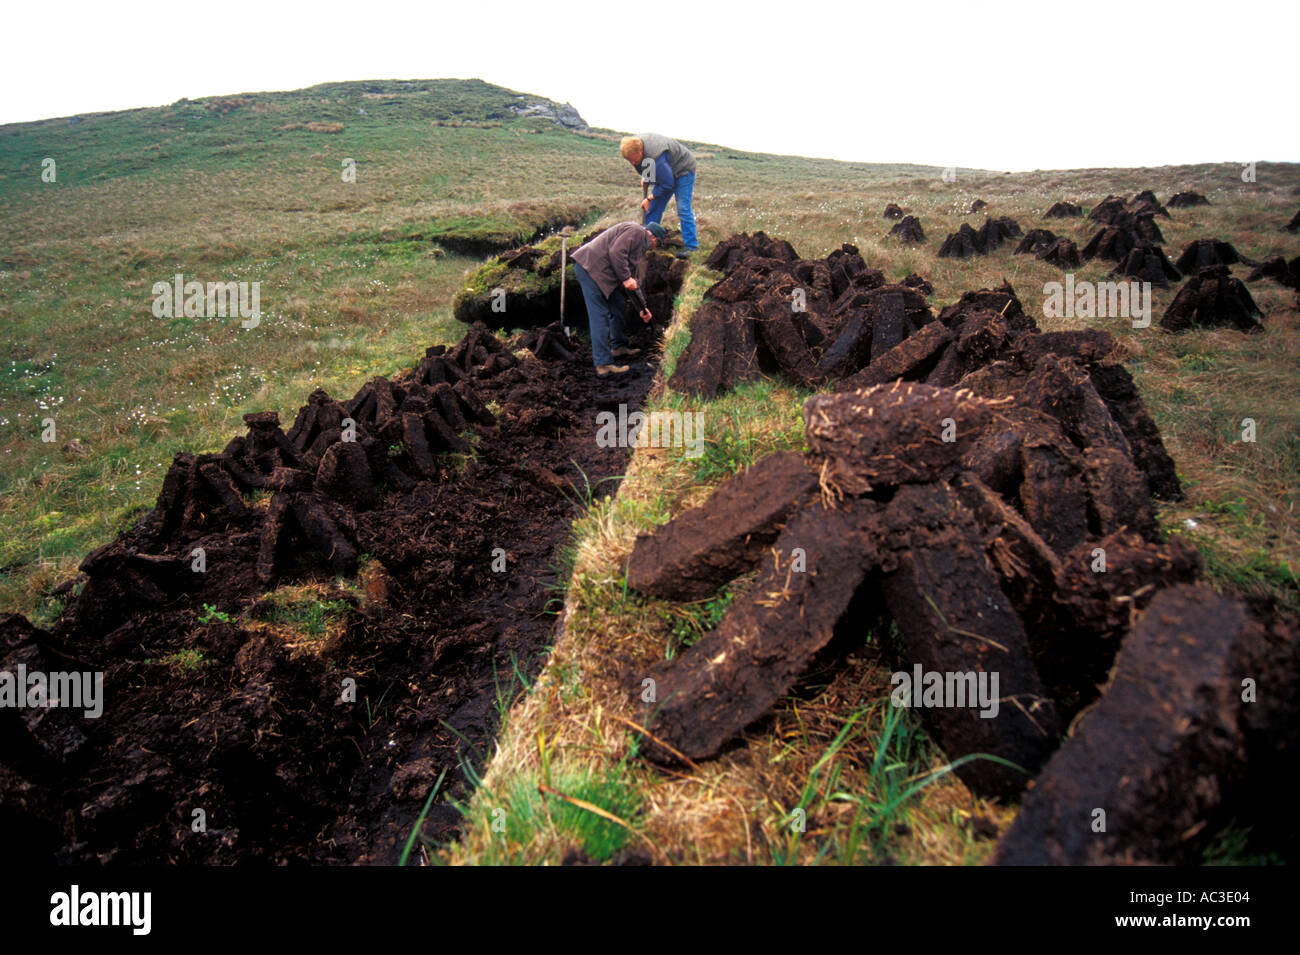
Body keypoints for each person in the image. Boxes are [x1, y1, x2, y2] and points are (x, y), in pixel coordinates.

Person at [571, 221, 665, 377]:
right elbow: (616, 252)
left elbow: (632, 282)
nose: (654, 248)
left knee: (619, 304)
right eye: (657, 244)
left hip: (604, 273)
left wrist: (642, 307)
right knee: (599, 316)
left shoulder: (638, 244)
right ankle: (603, 364)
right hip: (590, 269)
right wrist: (626, 278)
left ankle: (618, 346)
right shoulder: (637, 232)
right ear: (654, 239)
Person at [619, 134, 697, 259]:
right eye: (630, 161)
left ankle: (692, 247)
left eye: (634, 159)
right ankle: (646, 242)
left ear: (640, 151)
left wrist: (649, 197)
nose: (633, 163)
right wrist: (647, 178)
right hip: (666, 171)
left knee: (683, 208)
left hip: (683, 170)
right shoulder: (634, 149)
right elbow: (647, 166)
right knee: (653, 208)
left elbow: (668, 184)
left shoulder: (656, 157)